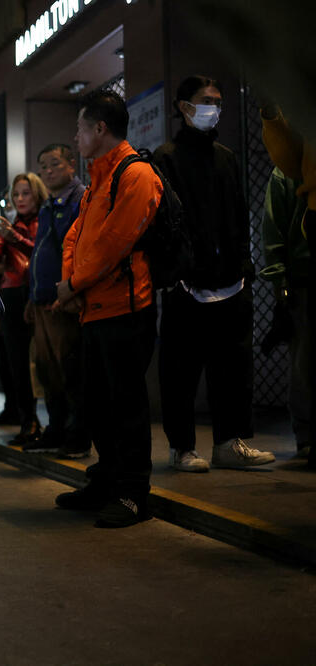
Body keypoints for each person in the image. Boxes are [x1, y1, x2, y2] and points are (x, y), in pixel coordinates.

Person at [153, 76, 274, 472]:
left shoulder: (226, 156)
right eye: (206, 101)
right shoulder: (165, 157)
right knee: (180, 371)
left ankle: (229, 443)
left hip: (232, 282)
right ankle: (182, 447)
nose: (214, 108)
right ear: (184, 107)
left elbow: (239, 217)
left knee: (233, 369)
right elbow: (166, 224)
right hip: (185, 285)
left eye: (218, 101)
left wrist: (244, 266)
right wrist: (177, 272)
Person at [53, 89, 161, 528]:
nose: (75, 137)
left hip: (126, 308)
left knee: (127, 407)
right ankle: (105, 480)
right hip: (92, 308)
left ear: (99, 128)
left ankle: (134, 493)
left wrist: (73, 283)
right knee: (95, 403)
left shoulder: (136, 175)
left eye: (79, 128)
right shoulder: (98, 177)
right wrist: (71, 287)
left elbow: (114, 244)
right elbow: (76, 238)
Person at [260, 101, 316, 468]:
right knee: (306, 361)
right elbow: (274, 229)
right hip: (306, 275)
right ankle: (309, 437)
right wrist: (280, 281)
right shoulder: (289, 172)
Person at [26, 144, 89, 458]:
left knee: (71, 371)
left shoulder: (80, 199)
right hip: (42, 301)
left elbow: (80, 250)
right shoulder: (49, 204)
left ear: (71, 165)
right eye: (43, 166)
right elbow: (40, 253)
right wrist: (32, 296)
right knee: (48, 372)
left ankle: (77, 437)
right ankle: (56, 430)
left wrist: (70, 292)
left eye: (54, 164)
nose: (48, 171)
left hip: (65, 301)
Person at [0, 173, 46, 445]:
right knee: (17, 363)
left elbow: (42, 253)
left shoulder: (45, 219)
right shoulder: (13, 223)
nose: (20, 199)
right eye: (16, 195)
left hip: (38, 294)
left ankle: (58, 425)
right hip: (11, 294)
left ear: (37, 194)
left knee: (48, 362)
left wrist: (11, 236)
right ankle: (27, 421)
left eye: (26, 193)